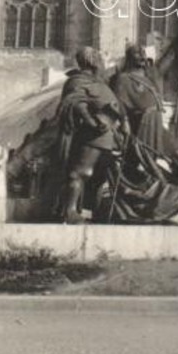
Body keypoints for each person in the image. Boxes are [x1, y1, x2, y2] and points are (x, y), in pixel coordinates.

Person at [56, 46, 127, 224]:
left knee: (101, 176)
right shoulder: (77, 81)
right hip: (93, 134)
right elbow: (75, 103)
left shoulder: (98, 82)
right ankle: (70, 211)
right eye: (98, 57)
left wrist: (122, 123)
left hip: (108, 136)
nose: (101, 60)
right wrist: (92, 122)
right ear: (91, 60)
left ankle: (92, 210)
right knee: (81, 172)